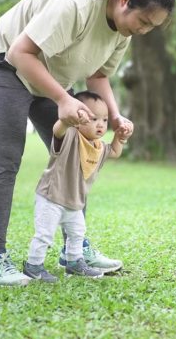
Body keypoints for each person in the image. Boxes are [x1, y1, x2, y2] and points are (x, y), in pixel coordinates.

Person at [0, 0, 175, 286]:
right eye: (143, 21)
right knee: (6, 158)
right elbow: (19, 54)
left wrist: (114, 115)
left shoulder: (123, 30)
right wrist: (62, 98)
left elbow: (98, 75)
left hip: (52, 74)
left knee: (77, 154)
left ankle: (73, 251)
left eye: (151, 27)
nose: (143, 31)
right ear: (125, 0)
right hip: (5, 65)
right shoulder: (75, 3)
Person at [23, 91, 129, 283]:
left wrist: (120, 138)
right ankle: (34, 266)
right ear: (78, 117)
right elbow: (57, 131)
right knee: (45, 235)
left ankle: (74, 262)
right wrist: (66, 120)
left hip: (74, 202)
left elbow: (113, 151)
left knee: (77, 233)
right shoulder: (70, 136)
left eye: (104, 120)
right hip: (51, 197)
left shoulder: (98, 146)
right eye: (93, 118)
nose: (100, 124)